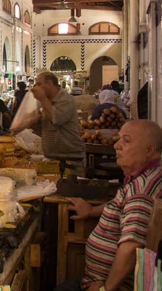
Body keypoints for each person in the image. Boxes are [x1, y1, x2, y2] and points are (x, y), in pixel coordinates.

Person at [56, 120, 162, 291]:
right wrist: (91, 211)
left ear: (149, 150)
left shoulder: (140, 192)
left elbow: (131, 246)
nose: (116, 145)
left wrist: (106, 288)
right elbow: (120, 203)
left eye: (126, 141)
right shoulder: (148, 176)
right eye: (119, 139)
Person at [32, 72, 85, 160]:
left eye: (39, 84)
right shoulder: (47, 103)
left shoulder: (66, 99)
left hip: (70, 158)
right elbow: (44, 130)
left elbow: (56, 119)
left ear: (49, 83)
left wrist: (42, 99)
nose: (36, 87)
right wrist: (33, 122)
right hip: (52, 157)